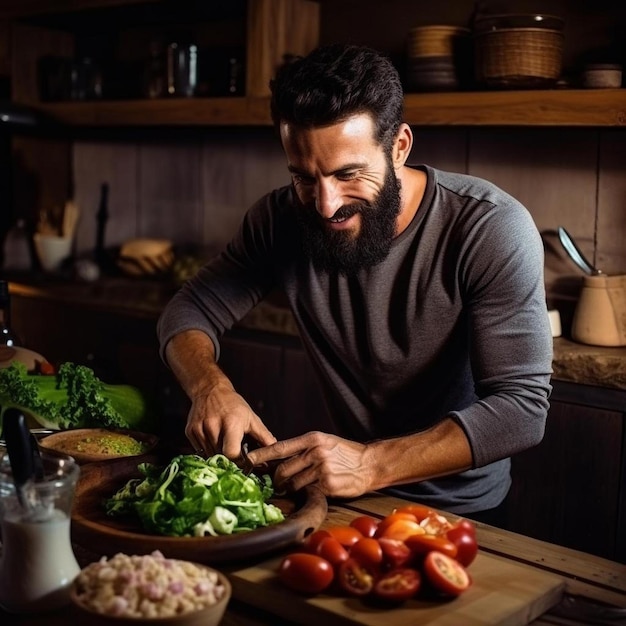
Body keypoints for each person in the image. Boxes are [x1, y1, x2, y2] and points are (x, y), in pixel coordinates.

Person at [157, 43, 553, 524]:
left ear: (400, 146)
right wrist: (209, 387)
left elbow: (521, 410)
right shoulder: (279, 220)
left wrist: (371, 463)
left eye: (349, 174)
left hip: (464, 512)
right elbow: (190, 308)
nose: (325, 205)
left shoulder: (489, 227)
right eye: (304, 178)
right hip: (350, 498)